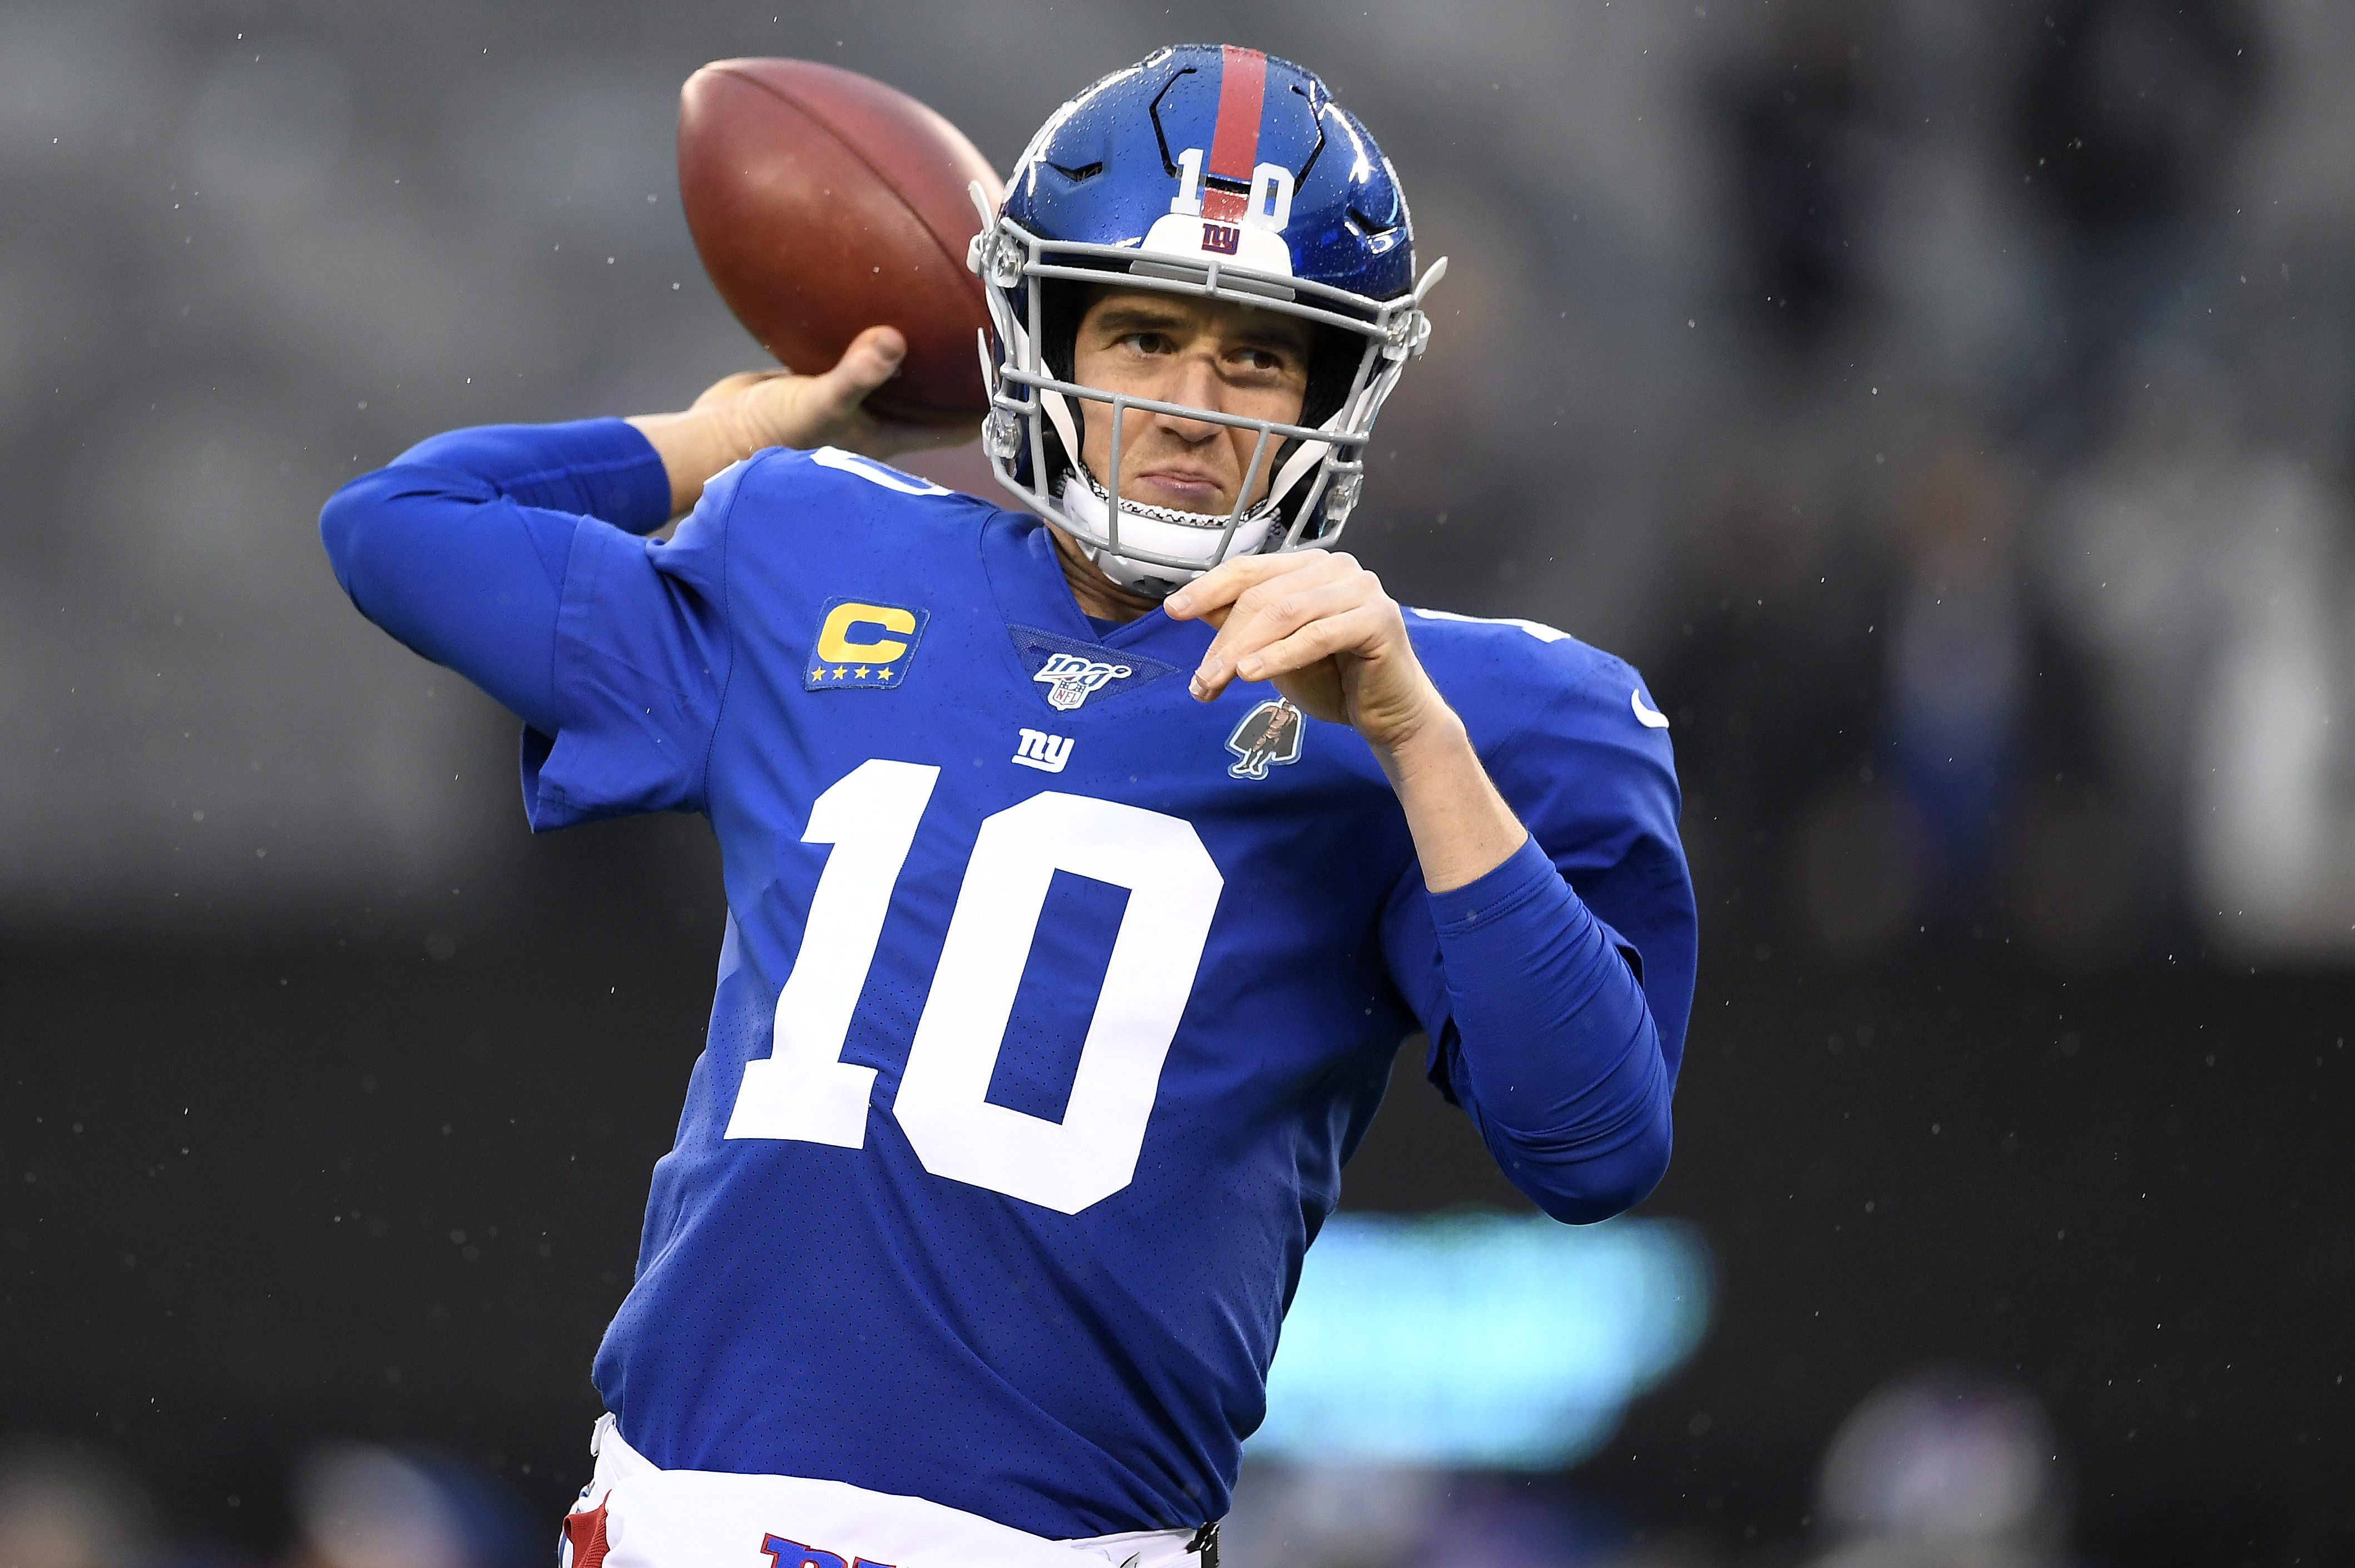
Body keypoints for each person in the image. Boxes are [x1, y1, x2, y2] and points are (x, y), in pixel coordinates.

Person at [320, 44, 1695, 1568]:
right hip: (680, 1513)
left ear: (1337, 382)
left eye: (1254, 354)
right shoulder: (813, 548)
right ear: (1038, 337)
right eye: (1142, 335)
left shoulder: (1470, 707)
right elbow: (399, 532)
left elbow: (1593, 1145)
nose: (1190, 404)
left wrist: (1415, 742)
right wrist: (718, 440)